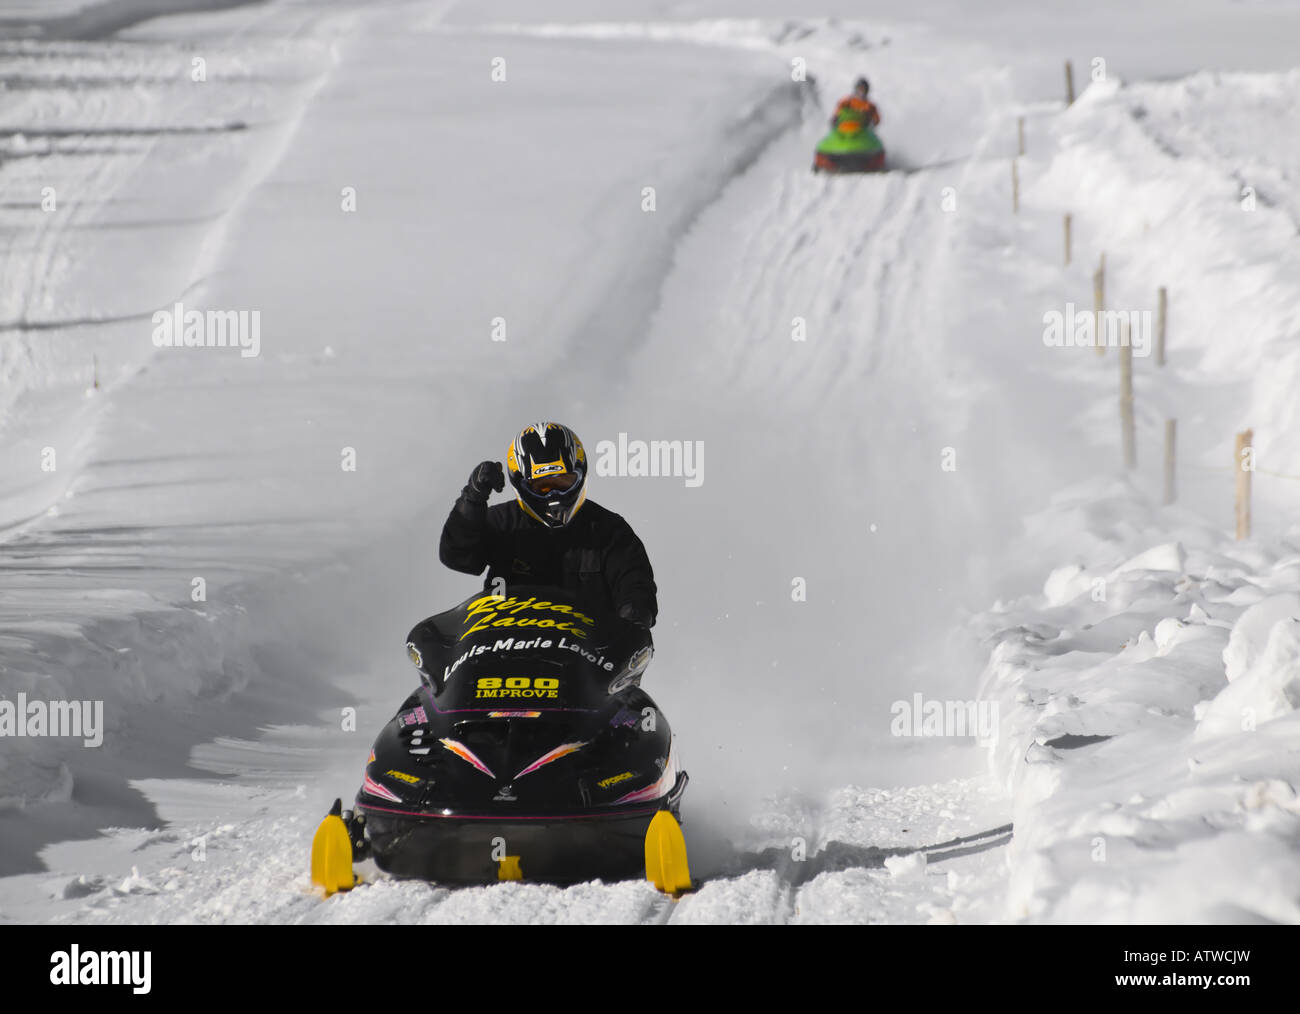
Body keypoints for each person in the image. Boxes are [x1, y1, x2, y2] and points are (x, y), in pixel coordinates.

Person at [439, 422, 658, 628]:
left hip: (588, 657)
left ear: (581, 475)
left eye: (563, 482)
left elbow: (635, 587)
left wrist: (633, 620)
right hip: (504, 650)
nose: (554, 494)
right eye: (542, 486)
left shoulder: (610, 531)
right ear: (520, 485)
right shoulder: (502, 522)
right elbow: (458, 557)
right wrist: (473, 499)